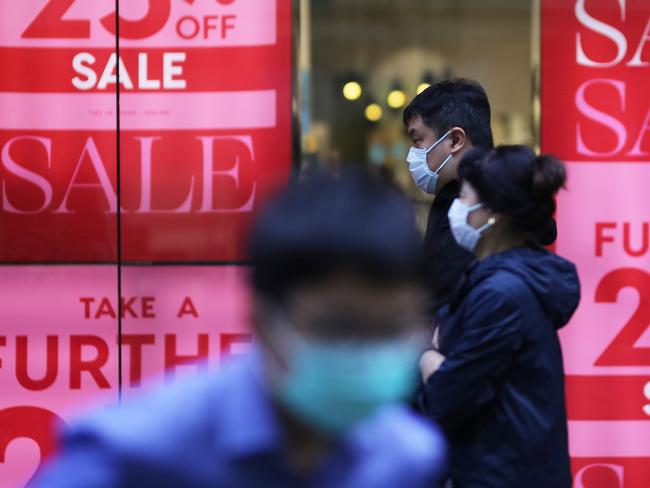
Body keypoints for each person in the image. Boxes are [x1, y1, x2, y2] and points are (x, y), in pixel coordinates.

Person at [31, 170, 447, 488]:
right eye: (340, 329)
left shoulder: (405, 458)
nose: (368, 353)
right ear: (261, 322)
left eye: (393, 330)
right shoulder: (132, 453)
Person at [419, 146, 580, 487]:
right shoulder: (504, 279)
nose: (457, 208)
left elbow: (447, 397)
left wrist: (427, 356)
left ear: (492, 212)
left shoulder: (502, 294)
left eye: (463, 196)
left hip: (502, 473)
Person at [403, 79, 556, 312]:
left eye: (418, 141)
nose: (413, 154)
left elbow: (448, 304)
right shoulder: (464, 200)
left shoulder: (477, 216)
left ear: (455, 140)